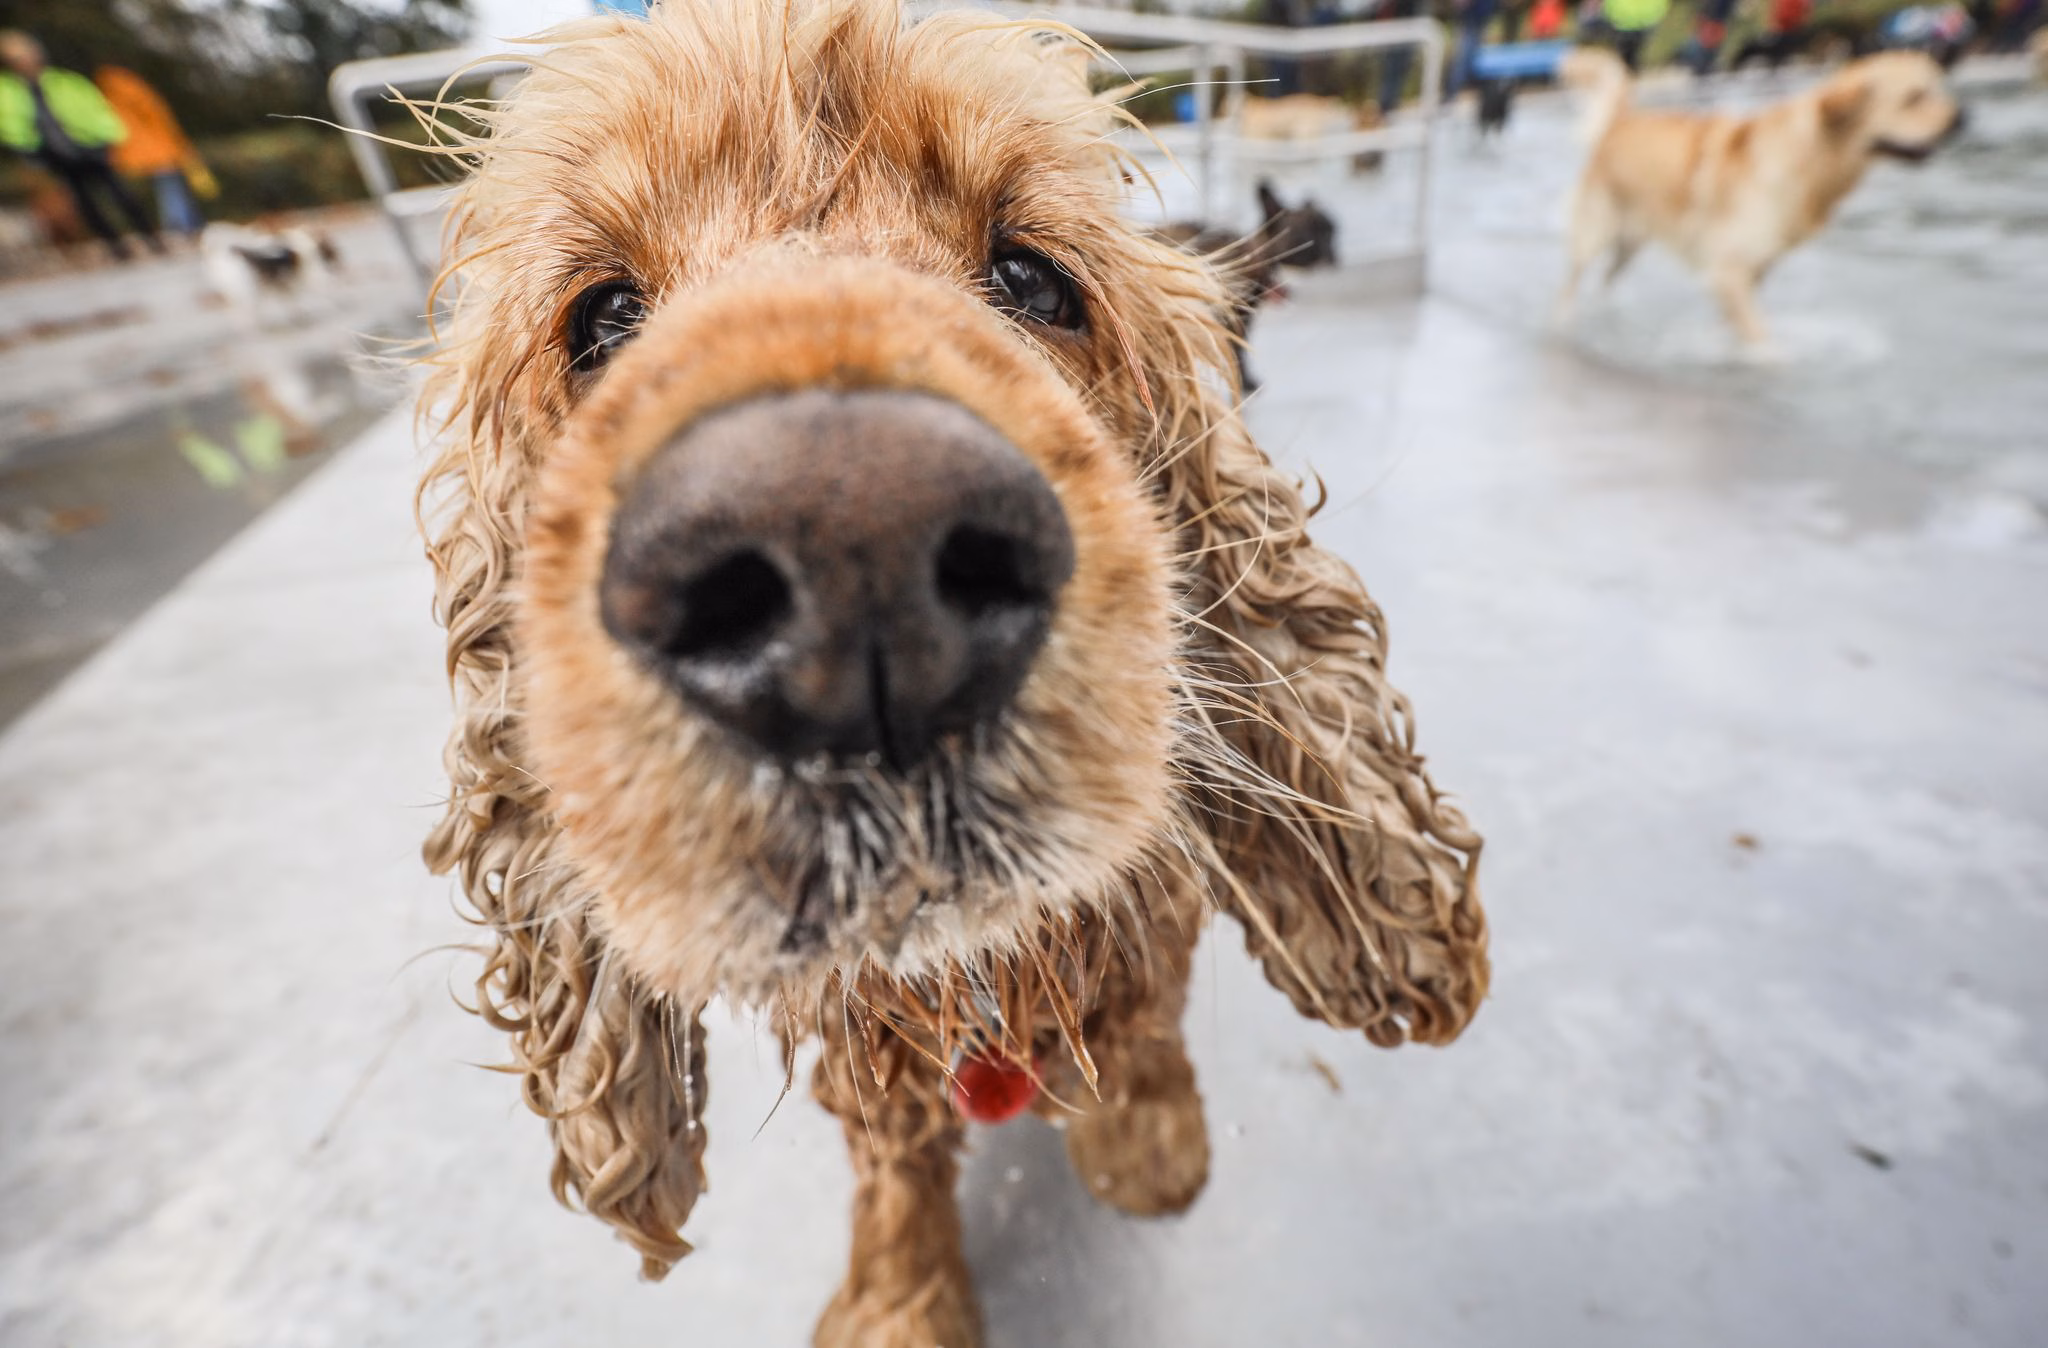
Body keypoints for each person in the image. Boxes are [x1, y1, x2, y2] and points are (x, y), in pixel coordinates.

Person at [0, 31, 163, 260]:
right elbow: (9, 124)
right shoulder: (8, 92)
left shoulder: (65, 81)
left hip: (90, 146)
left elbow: (98, 109)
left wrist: (109, 137)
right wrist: (30, 149)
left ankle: (150, 236)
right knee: (84, 202)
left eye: (28, 56)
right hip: (54, 154)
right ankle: (115, 246)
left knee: (120, 193)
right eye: (18, 59)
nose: (26, 62)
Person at [95, 65, 209, 238]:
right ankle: (181, 229)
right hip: (160, 149)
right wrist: (181, 143)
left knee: (167, 189)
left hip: (139, 155)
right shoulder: (135, 89)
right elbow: (160, 117)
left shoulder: (107, 98)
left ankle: (189, 227)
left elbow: (112, 131)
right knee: (172, 189)